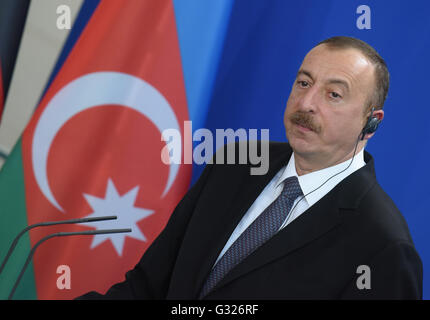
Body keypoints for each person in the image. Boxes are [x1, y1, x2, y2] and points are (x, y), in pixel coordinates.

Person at [78, 36, 423, 299]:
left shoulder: (383, 246)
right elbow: (147, 289)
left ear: (371, 123)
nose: (306, 103)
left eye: (334, 95)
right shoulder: (235, 164)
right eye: (304, 83)